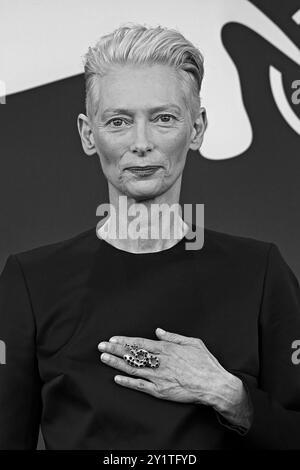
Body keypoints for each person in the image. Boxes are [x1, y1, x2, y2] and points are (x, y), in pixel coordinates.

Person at [0, 23, 300, 450]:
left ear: (196, 129)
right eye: (119, 121)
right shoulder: (31, 281)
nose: (141, 143)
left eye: (163, 119)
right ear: (89, 134)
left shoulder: (260, 274)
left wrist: (230, 396)